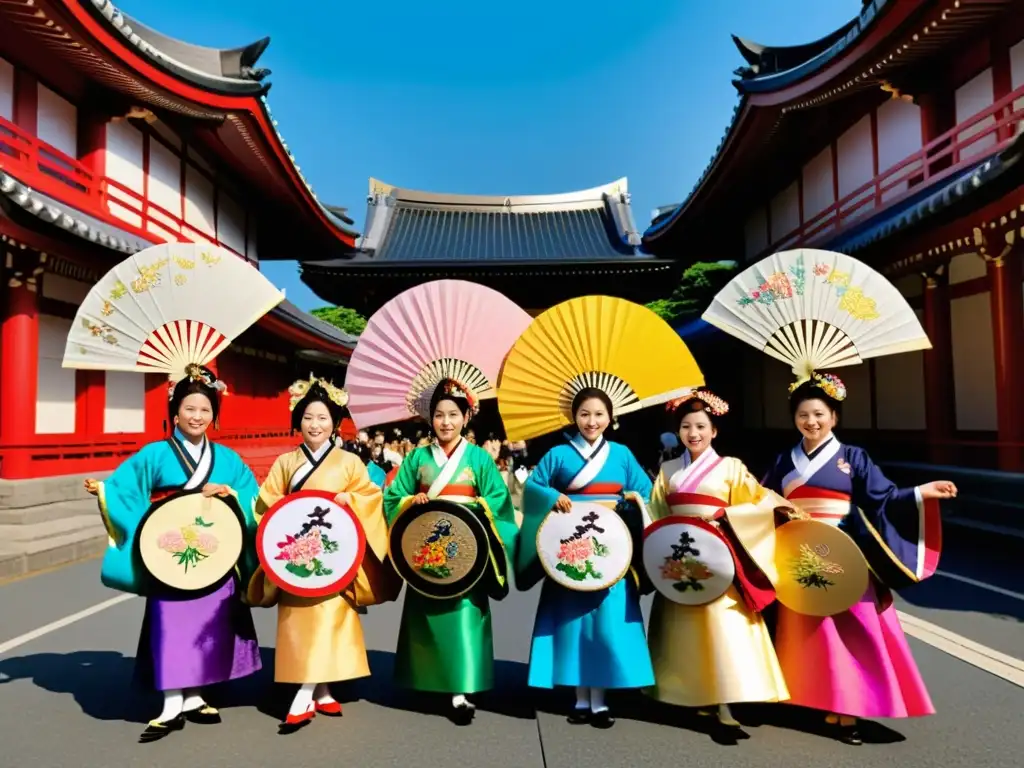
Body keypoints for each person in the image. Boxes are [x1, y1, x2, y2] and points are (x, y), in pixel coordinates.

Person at [761, 372, 955, 745]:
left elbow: (882, 498)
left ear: (834, 417)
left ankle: (849, 709)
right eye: (803, 415)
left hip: (847, 554)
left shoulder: (853, 458)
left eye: (819, 414)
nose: (811, 422)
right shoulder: (784, 459)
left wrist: (921, 492)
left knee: (854, 630)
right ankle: (814, 698)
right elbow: (764, 499)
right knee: (808, 632)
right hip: (800, 554)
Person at [84, 365, 261, 743]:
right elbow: (126, 488)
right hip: (170, 553)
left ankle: (196, 695)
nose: (197, 417)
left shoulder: (227, 459)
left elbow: (252, 496)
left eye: (205, 410)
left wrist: (232, 496)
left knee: (210, 625)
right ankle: (170, 701)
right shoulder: (154, 454)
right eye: (189, 409)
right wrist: (105, 490)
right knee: (171, 622)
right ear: (175, 413)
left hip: (214, 553)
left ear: (214, 416)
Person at [248, 377, 399, 731]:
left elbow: (370, 496)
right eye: (308, 418)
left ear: (335, 422)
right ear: (297, 422)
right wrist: (282, 512)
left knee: (329, 619)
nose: (315, 425)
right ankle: (324, 690)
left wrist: (354, 500)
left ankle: (303, 696)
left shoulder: (349, 462)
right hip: (297, 555)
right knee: (302, 621)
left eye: (323, 418)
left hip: (335, 555)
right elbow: (265, 503)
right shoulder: (286, 463)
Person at [645, 390, 790, 732]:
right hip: (679, 556)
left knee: (723, 626)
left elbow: (759, 503)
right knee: (684, 626)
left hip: (717, 555)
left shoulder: (731, 467)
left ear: (714, 431)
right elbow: (658, 513)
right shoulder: (667, 469)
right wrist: (641, 510)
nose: (693, 433)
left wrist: (724, 513)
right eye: (685, 426)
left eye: (700, 426)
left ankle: (726, 700)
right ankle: (693, 695)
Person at [516, 387, 654, 728]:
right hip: (570, 545)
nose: (591, 421)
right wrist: (552, 495)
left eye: (598, 414)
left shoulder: (621, 455)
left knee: (606, 623)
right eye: (584, 414)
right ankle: (580, 698)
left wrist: (631, 499)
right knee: (572, 622)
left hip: (610, 547)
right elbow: (533, 487)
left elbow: (647, 493)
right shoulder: (558, 454)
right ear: (574, 417)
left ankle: (601, 700)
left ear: (610, 417)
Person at [383, 379, 519, 724]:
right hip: (426, 544)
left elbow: (499, 502)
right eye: (439, 415)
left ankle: (461, 688)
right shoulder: (416, 458)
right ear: (431, 419)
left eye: (453, 415)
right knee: (426, 613)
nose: (446, 422)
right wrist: (412, 500)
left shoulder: (479, 459)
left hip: (467, 547)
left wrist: (476, 505)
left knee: (463, 614)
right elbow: (392, 497)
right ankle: (426, 679)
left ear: (466, 417)